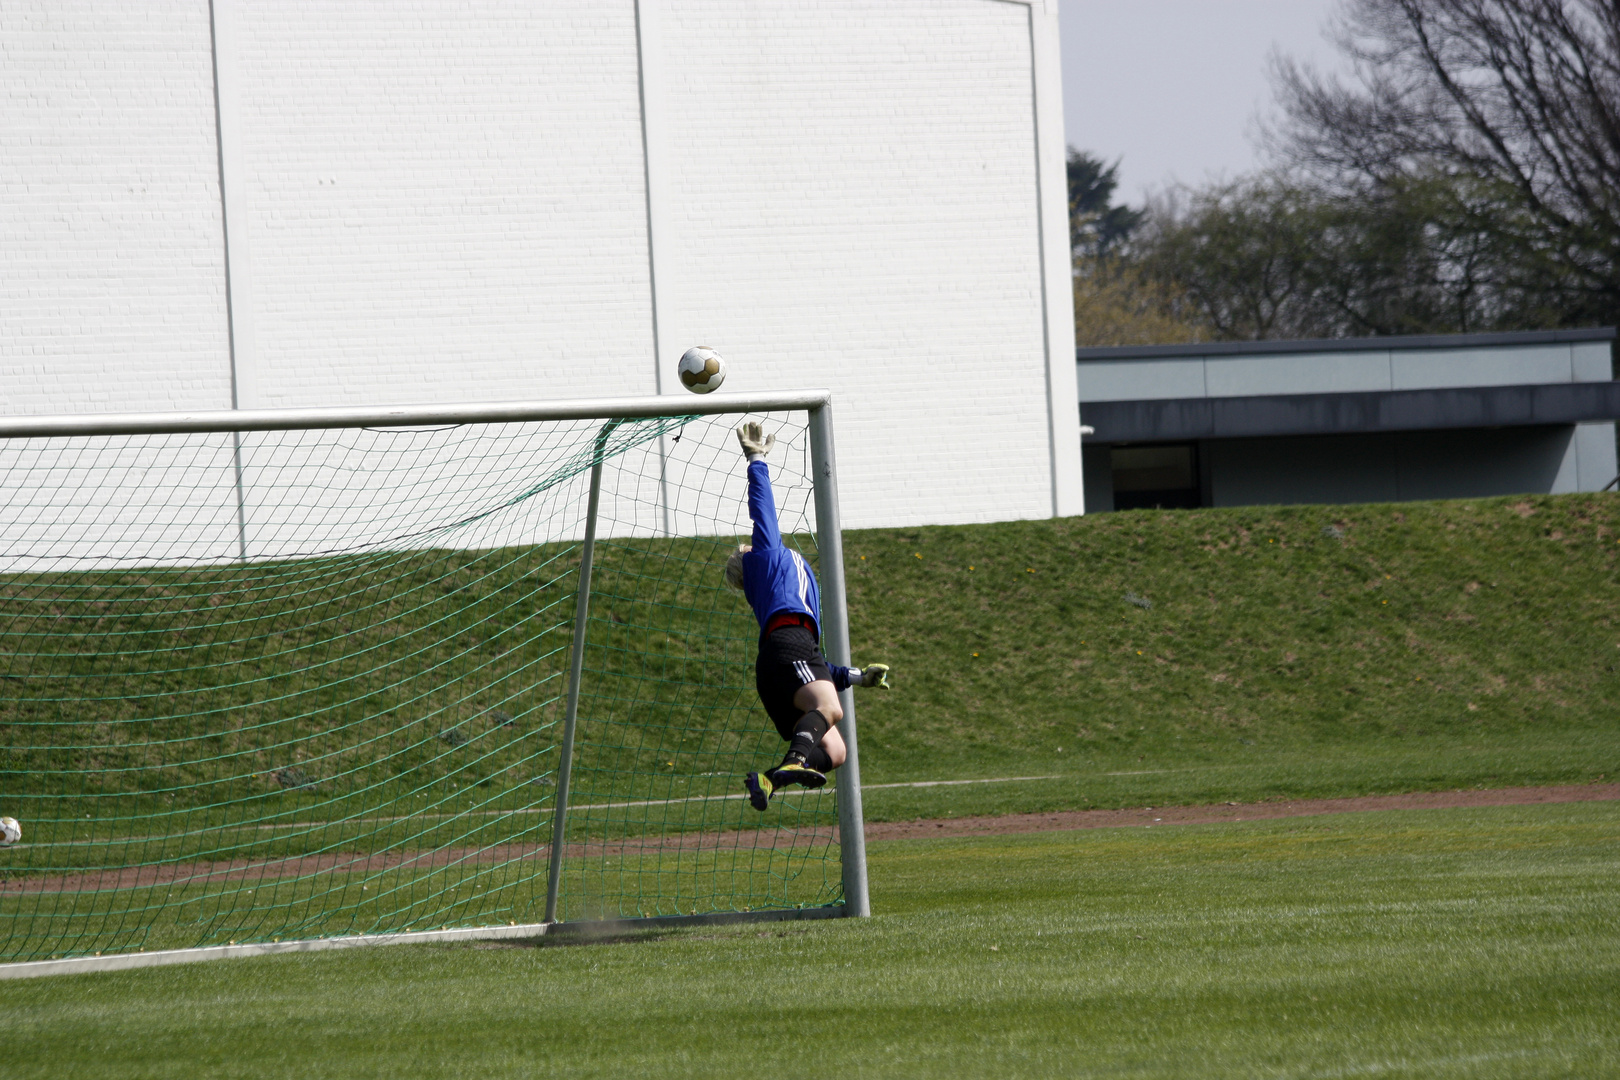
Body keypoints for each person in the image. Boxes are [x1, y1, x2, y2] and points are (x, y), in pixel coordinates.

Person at [726, 421, 890, 812]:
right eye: (747, 547)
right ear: (748, 561)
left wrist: (858, 677)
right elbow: (762, 507)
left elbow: (813, 666)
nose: (751, 543)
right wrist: (756, 459)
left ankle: (768, 779)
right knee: (829, 710)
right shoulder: (764, 562)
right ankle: (795, 761)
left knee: (835, 751)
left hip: (786, 656)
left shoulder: (779, 587)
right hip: (788, 649)